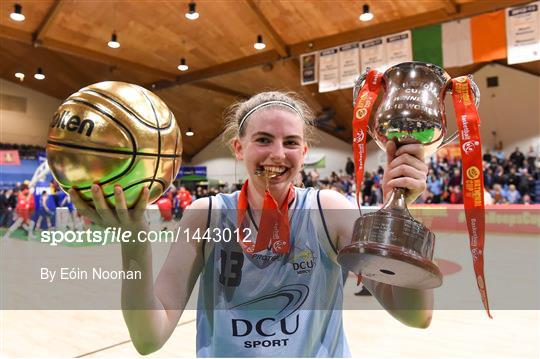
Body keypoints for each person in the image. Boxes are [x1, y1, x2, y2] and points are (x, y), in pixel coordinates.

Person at [69, 91, 432, 357]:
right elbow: (149, 338)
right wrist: (134, 241)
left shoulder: (329, 210)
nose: (277, 153)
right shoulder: (206, 215)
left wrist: (401, 211)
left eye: (291, 142)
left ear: (304, 153)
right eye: (263, 140)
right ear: (238, 148)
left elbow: (416, 315)